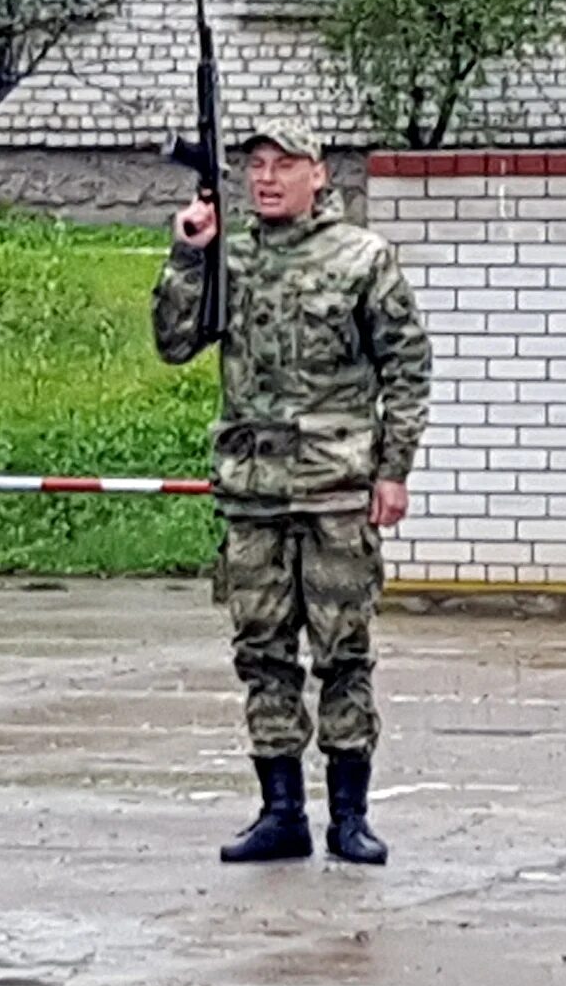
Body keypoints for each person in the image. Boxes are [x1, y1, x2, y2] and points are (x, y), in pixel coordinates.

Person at [154, 122, 429, 866]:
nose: (267, 178)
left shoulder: (362, 258)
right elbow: (175, 342)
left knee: (344, 654)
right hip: (253, 493)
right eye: (256, 165)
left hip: (336, 490)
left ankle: (349, 815)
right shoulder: (230, 256)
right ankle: (280, 811)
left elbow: (405, 368)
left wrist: (393, 470)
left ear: (320, 173)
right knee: (262, 653)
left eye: (285, 164)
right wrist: (190, 252)